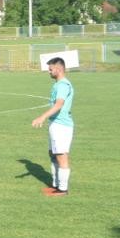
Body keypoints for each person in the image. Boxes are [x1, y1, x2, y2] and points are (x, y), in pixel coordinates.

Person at [31, 57, 75, 196]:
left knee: (61, 155)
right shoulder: (58, 84)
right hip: (55, 123)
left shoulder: (63, 85)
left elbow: (59, 104)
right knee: (53, 154)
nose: (49, 72)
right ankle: (55, 185)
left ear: (59, 68)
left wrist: (42, 117)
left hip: (61, 125)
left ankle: (62, 189)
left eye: (50, 69)